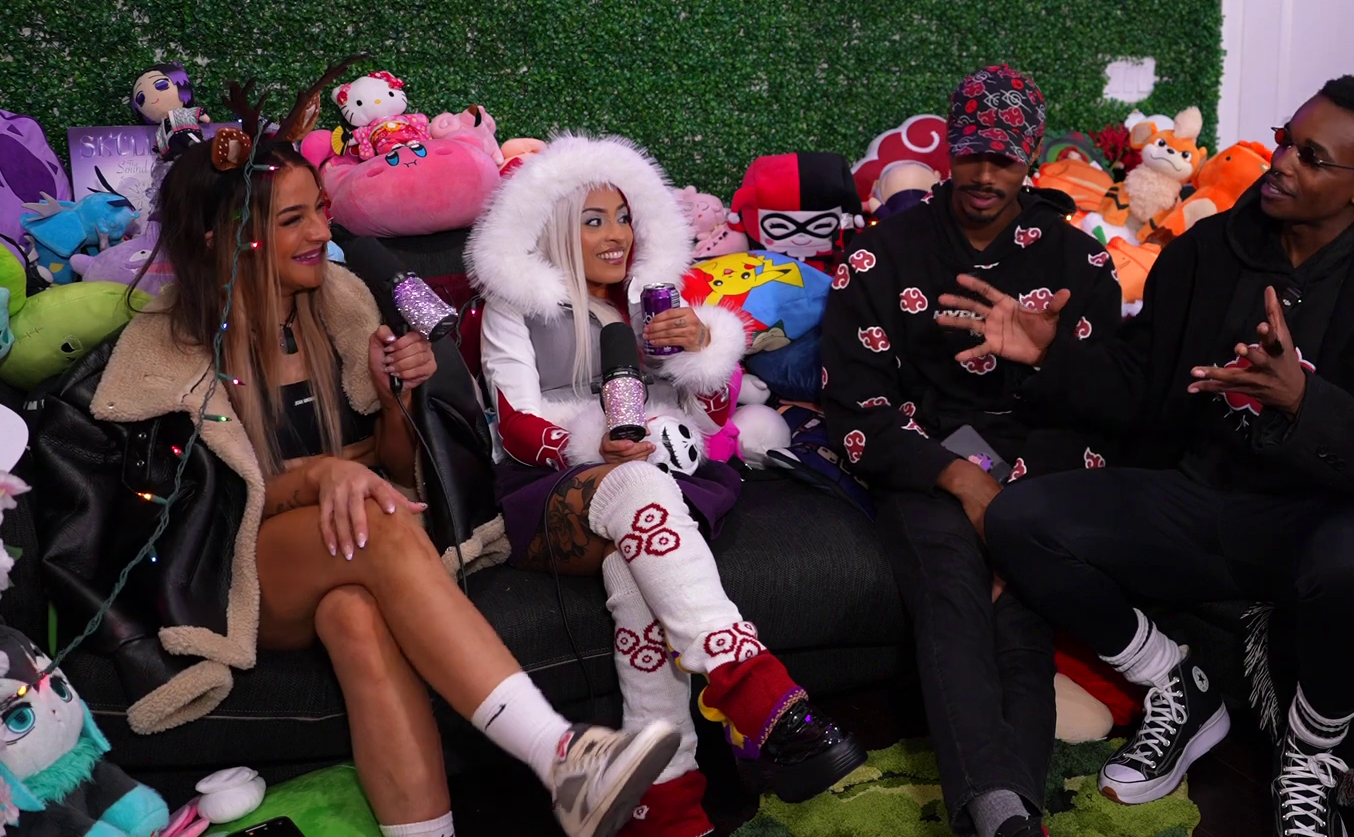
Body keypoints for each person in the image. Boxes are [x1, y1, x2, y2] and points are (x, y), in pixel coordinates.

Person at [32, 132, 678, 837]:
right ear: (222, 239)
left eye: (321, 209)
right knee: (374, 518)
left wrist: (397, 400)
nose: (321, 232)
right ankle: (559, 754)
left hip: (346, 548)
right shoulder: (171, 352)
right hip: (232, 579)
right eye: (293, 220)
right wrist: (319, 472)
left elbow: (398, 475)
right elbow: (196, 518)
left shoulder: (340, 304)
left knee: (354, 615)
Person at [969, 76, 1354, 837]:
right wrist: (1052, 354)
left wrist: (1306, 403)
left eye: (1311, 157)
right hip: (1200, 496)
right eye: (1285, 140)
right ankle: (1177, 684)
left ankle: (1310, 754)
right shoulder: (1208, 251)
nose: (1281, 162)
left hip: (1327, 517)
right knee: (1019, 520)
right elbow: (1141, 382)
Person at [466, 132, 865, 837]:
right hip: (550, 486)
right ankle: (754, 689)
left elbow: (708, 422)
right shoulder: (516, 304)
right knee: (642, 489)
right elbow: (516, 420)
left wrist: (701, 352)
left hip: (660, 477)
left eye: (623, 217)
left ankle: (666, 805)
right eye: (593, 221)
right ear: (552, 228)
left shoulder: (654, 301)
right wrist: (590, 443)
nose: (616, 235)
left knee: (639, 576)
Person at [819, 65, 1124, 837]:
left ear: (1032, 160)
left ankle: (1002, 814)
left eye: (1006, 158)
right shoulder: (879, 255)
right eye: (973, 154)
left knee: (1020, 600)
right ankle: (1004, 813)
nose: (986, 175)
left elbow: (1103, 407)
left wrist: (1016, 498)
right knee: (952, 588)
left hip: (1042, 462)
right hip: (922, 458)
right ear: (951, 149)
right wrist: (964, 482)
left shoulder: (1079, 264)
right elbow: (854, 409)